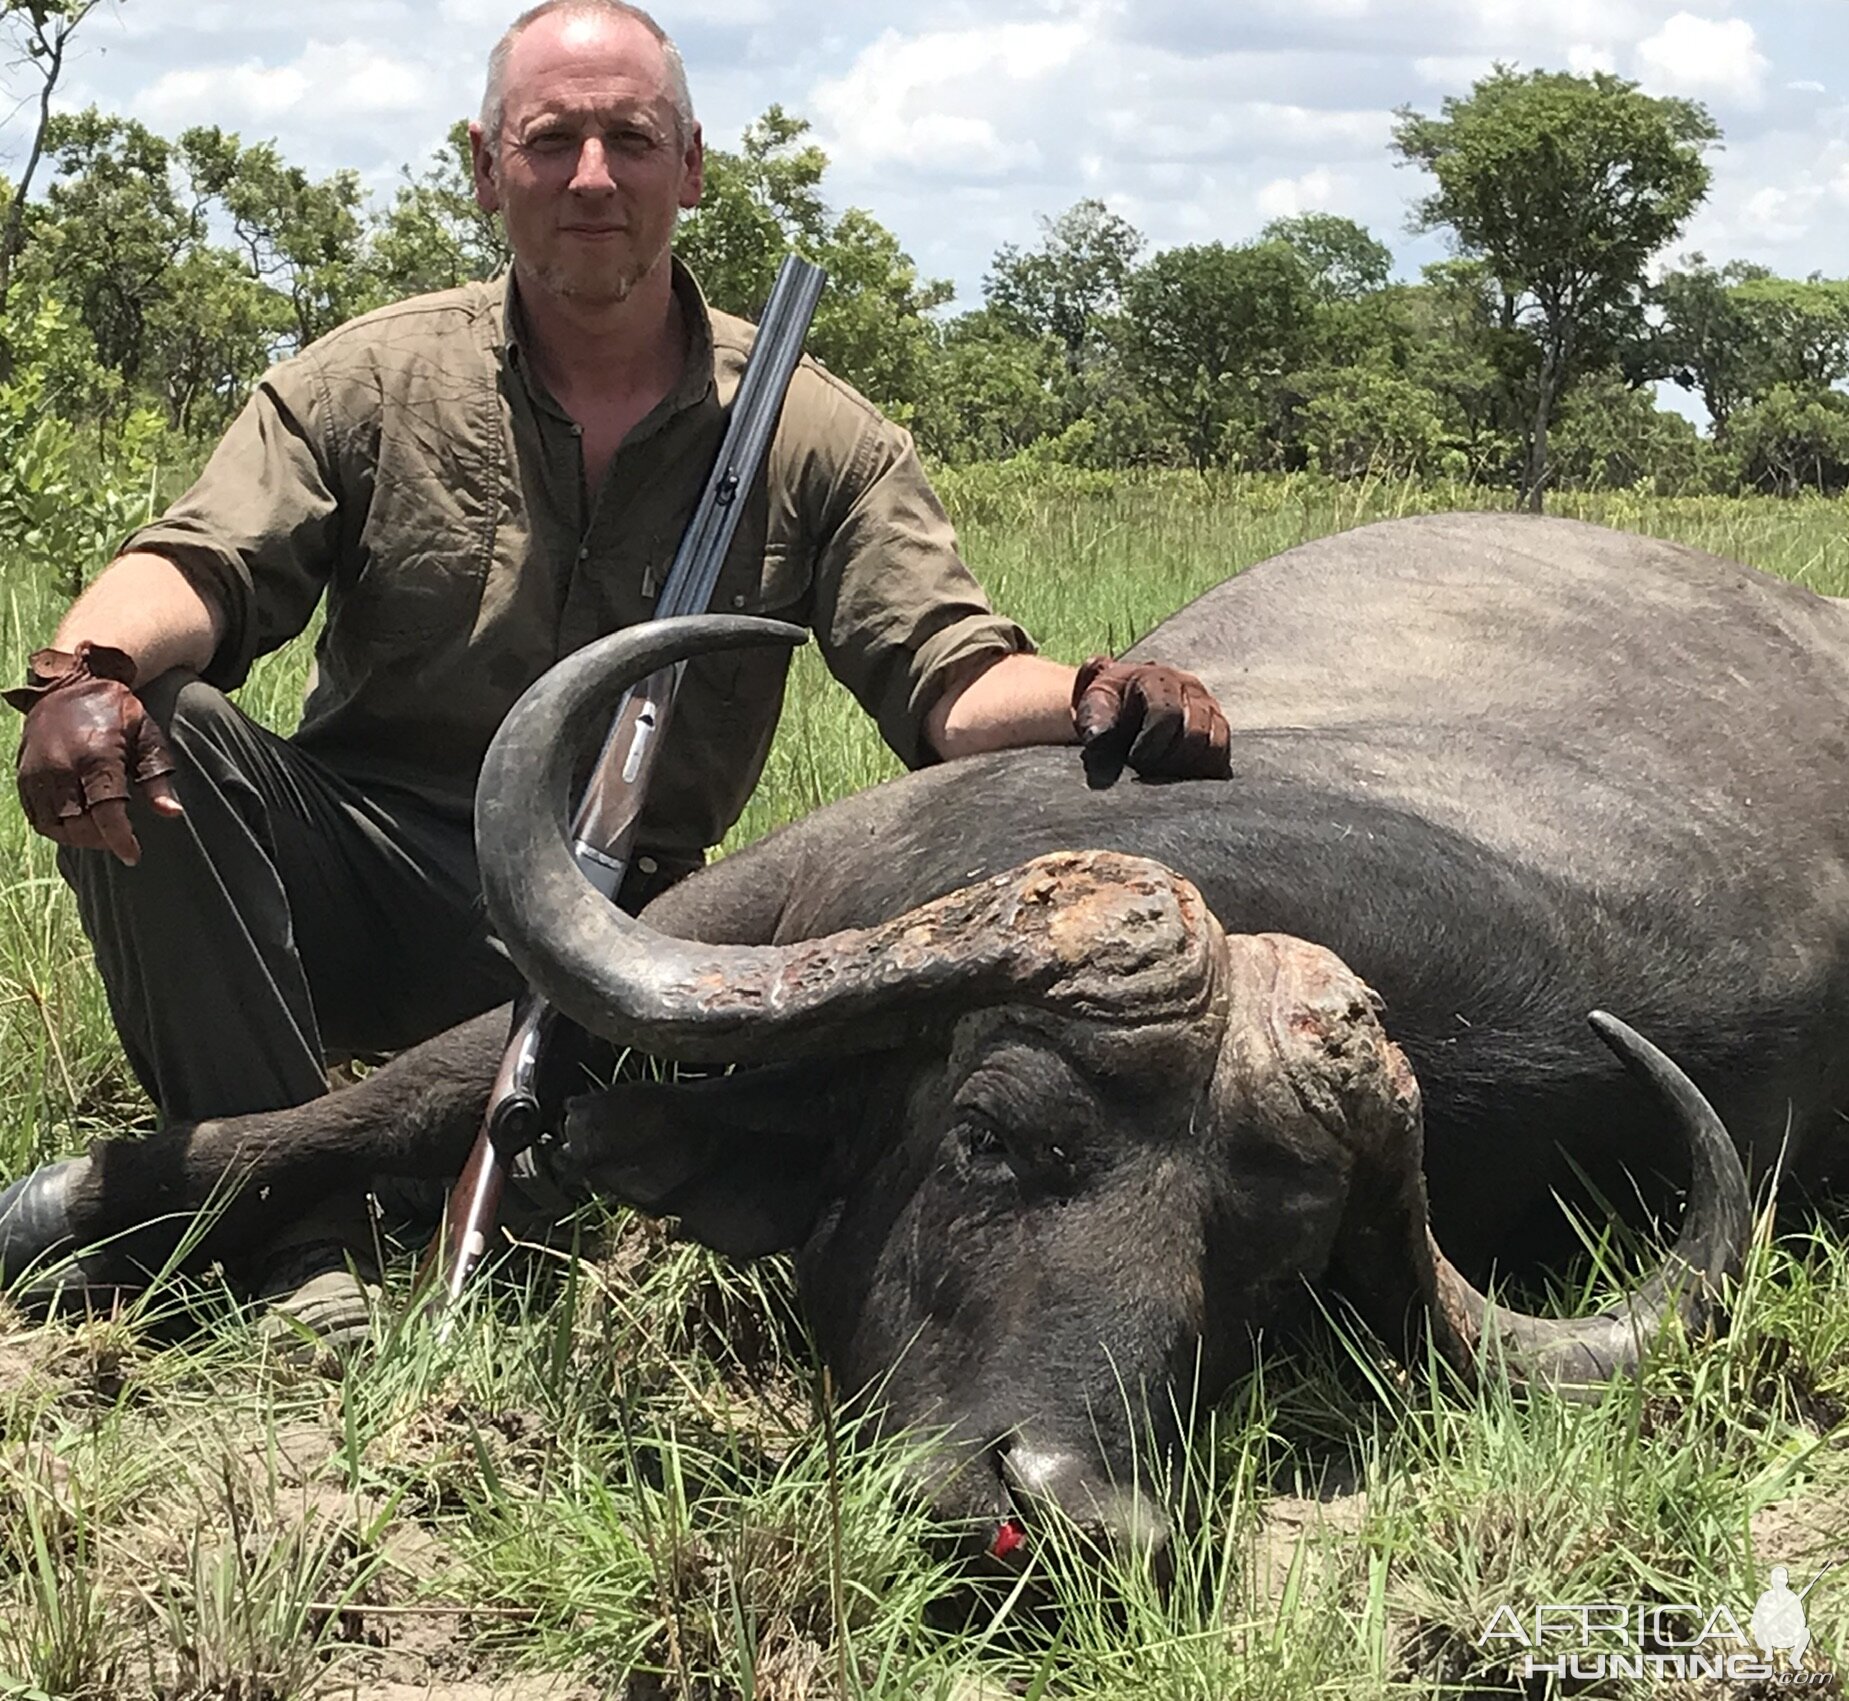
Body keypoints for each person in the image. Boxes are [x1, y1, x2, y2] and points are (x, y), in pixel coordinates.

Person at [0, 0, 1230, 1333]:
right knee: (161, 724)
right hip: (375, 879)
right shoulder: (368, 378)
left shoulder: (817, 432)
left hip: (643, 939)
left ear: (688, 167)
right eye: (552, 140)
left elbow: (947, 679)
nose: (592, 175)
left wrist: (1100, 695)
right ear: (486, 167)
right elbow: (194, 564)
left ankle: (390, 1179)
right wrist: (90, 672)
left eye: (630, 139)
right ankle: (302, 1231)